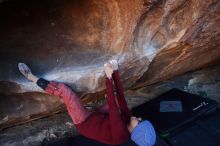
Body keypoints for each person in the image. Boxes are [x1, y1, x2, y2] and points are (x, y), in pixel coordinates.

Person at [18, 60, 156, 146]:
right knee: (117, 99)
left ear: (135, 131)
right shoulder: (128, 121)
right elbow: (120, 98)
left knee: (66, 92)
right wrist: (115, 72)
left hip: (85, 122)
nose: (139, 118)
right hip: (99, 118)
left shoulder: (120, 134)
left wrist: (108, 77)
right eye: (141, 119)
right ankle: (75, 105)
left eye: (139, 122)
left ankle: (30, 77)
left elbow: (113, 107)